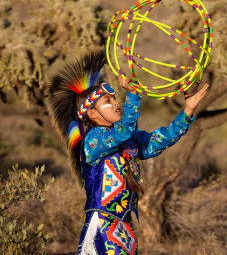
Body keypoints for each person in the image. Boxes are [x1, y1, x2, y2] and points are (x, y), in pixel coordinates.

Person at [45, 49, 209, 255]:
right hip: (102, 224)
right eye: (108, 101)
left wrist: (188, 110)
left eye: (115, 99)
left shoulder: (128, 140)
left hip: (125, 225)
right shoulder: (94, 141)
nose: (116, 103)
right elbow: (122, 132)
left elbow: (161, 140)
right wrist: (133, 96)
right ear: (93, 114)